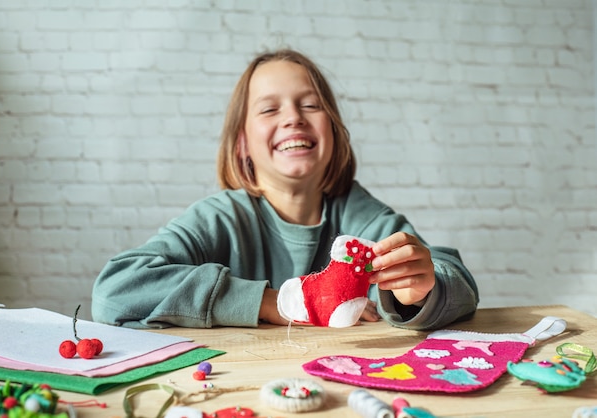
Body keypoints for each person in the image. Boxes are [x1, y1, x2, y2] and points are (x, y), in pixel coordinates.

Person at [91, 48, 478, 330]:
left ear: (333, 131)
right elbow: (116, 290)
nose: (293, 118)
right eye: (269, 109)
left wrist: (422, 289)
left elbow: (457, 280)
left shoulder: (360, 216)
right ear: (242, 142)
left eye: (310, 105)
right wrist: (275, 302)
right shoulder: (220, 219)